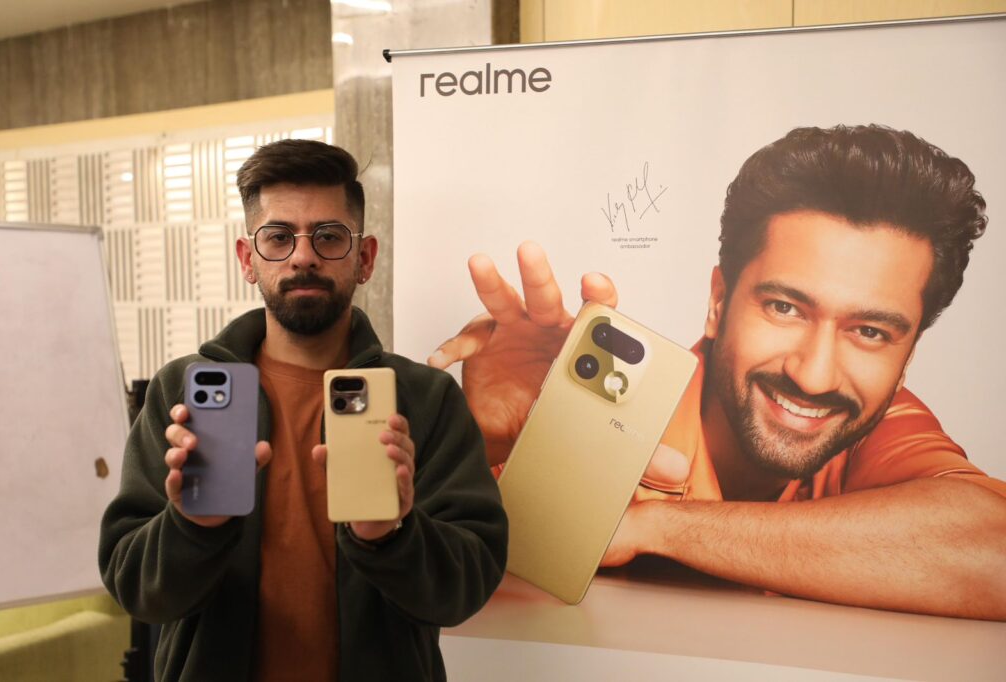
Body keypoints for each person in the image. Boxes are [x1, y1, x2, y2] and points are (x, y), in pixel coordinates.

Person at [429, 124, 1006, 620]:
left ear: (908, 356)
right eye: (785, 308)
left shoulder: (880, 422)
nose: (814, 376)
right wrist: (477, 447)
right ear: (717, 301)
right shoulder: (599, 421)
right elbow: (420, 575)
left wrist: (654, 526)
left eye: (871, 332)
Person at [99, 139, 508, 681]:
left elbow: (466, 589)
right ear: (248, 259)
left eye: (329, 236)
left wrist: (390, 534)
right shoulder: (181, 393)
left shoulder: (426, 399)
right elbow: (137, 590)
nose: (303, 256)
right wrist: (192, 526)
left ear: (365, 258)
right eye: (278, 237)